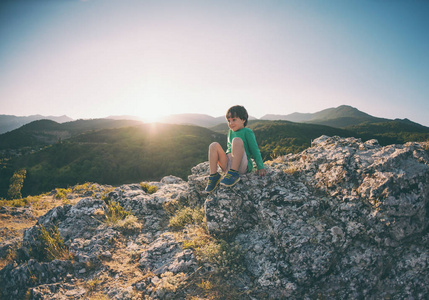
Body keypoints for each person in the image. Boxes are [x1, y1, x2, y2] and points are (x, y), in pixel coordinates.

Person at [205, 105, 266, 193]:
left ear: (243, 120)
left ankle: (234, 173)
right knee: (213, 145)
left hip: (241, 165)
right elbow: (229, 149)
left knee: (236, 141)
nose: (231, 123)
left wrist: (260, 167)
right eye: (229, 121)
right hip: (228, 165)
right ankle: (214, 176)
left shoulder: (247, 132)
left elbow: (255, 150)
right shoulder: (230, 132)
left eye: (234, 120)